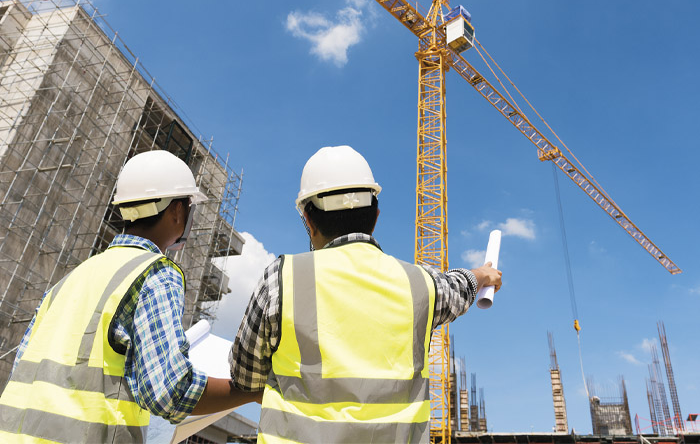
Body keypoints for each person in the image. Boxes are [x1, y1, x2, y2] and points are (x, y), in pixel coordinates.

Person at [230, 145, 502, 443]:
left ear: (308, 220)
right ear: (375, 216)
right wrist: (482, 274)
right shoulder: (421, 285)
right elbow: (458, 288)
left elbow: (245, 378)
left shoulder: (281, 278)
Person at [0, 150, 262, 443]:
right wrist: (249, 392)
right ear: (177, 211)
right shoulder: (156, 273)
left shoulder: (72, 278)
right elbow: (170, 390)